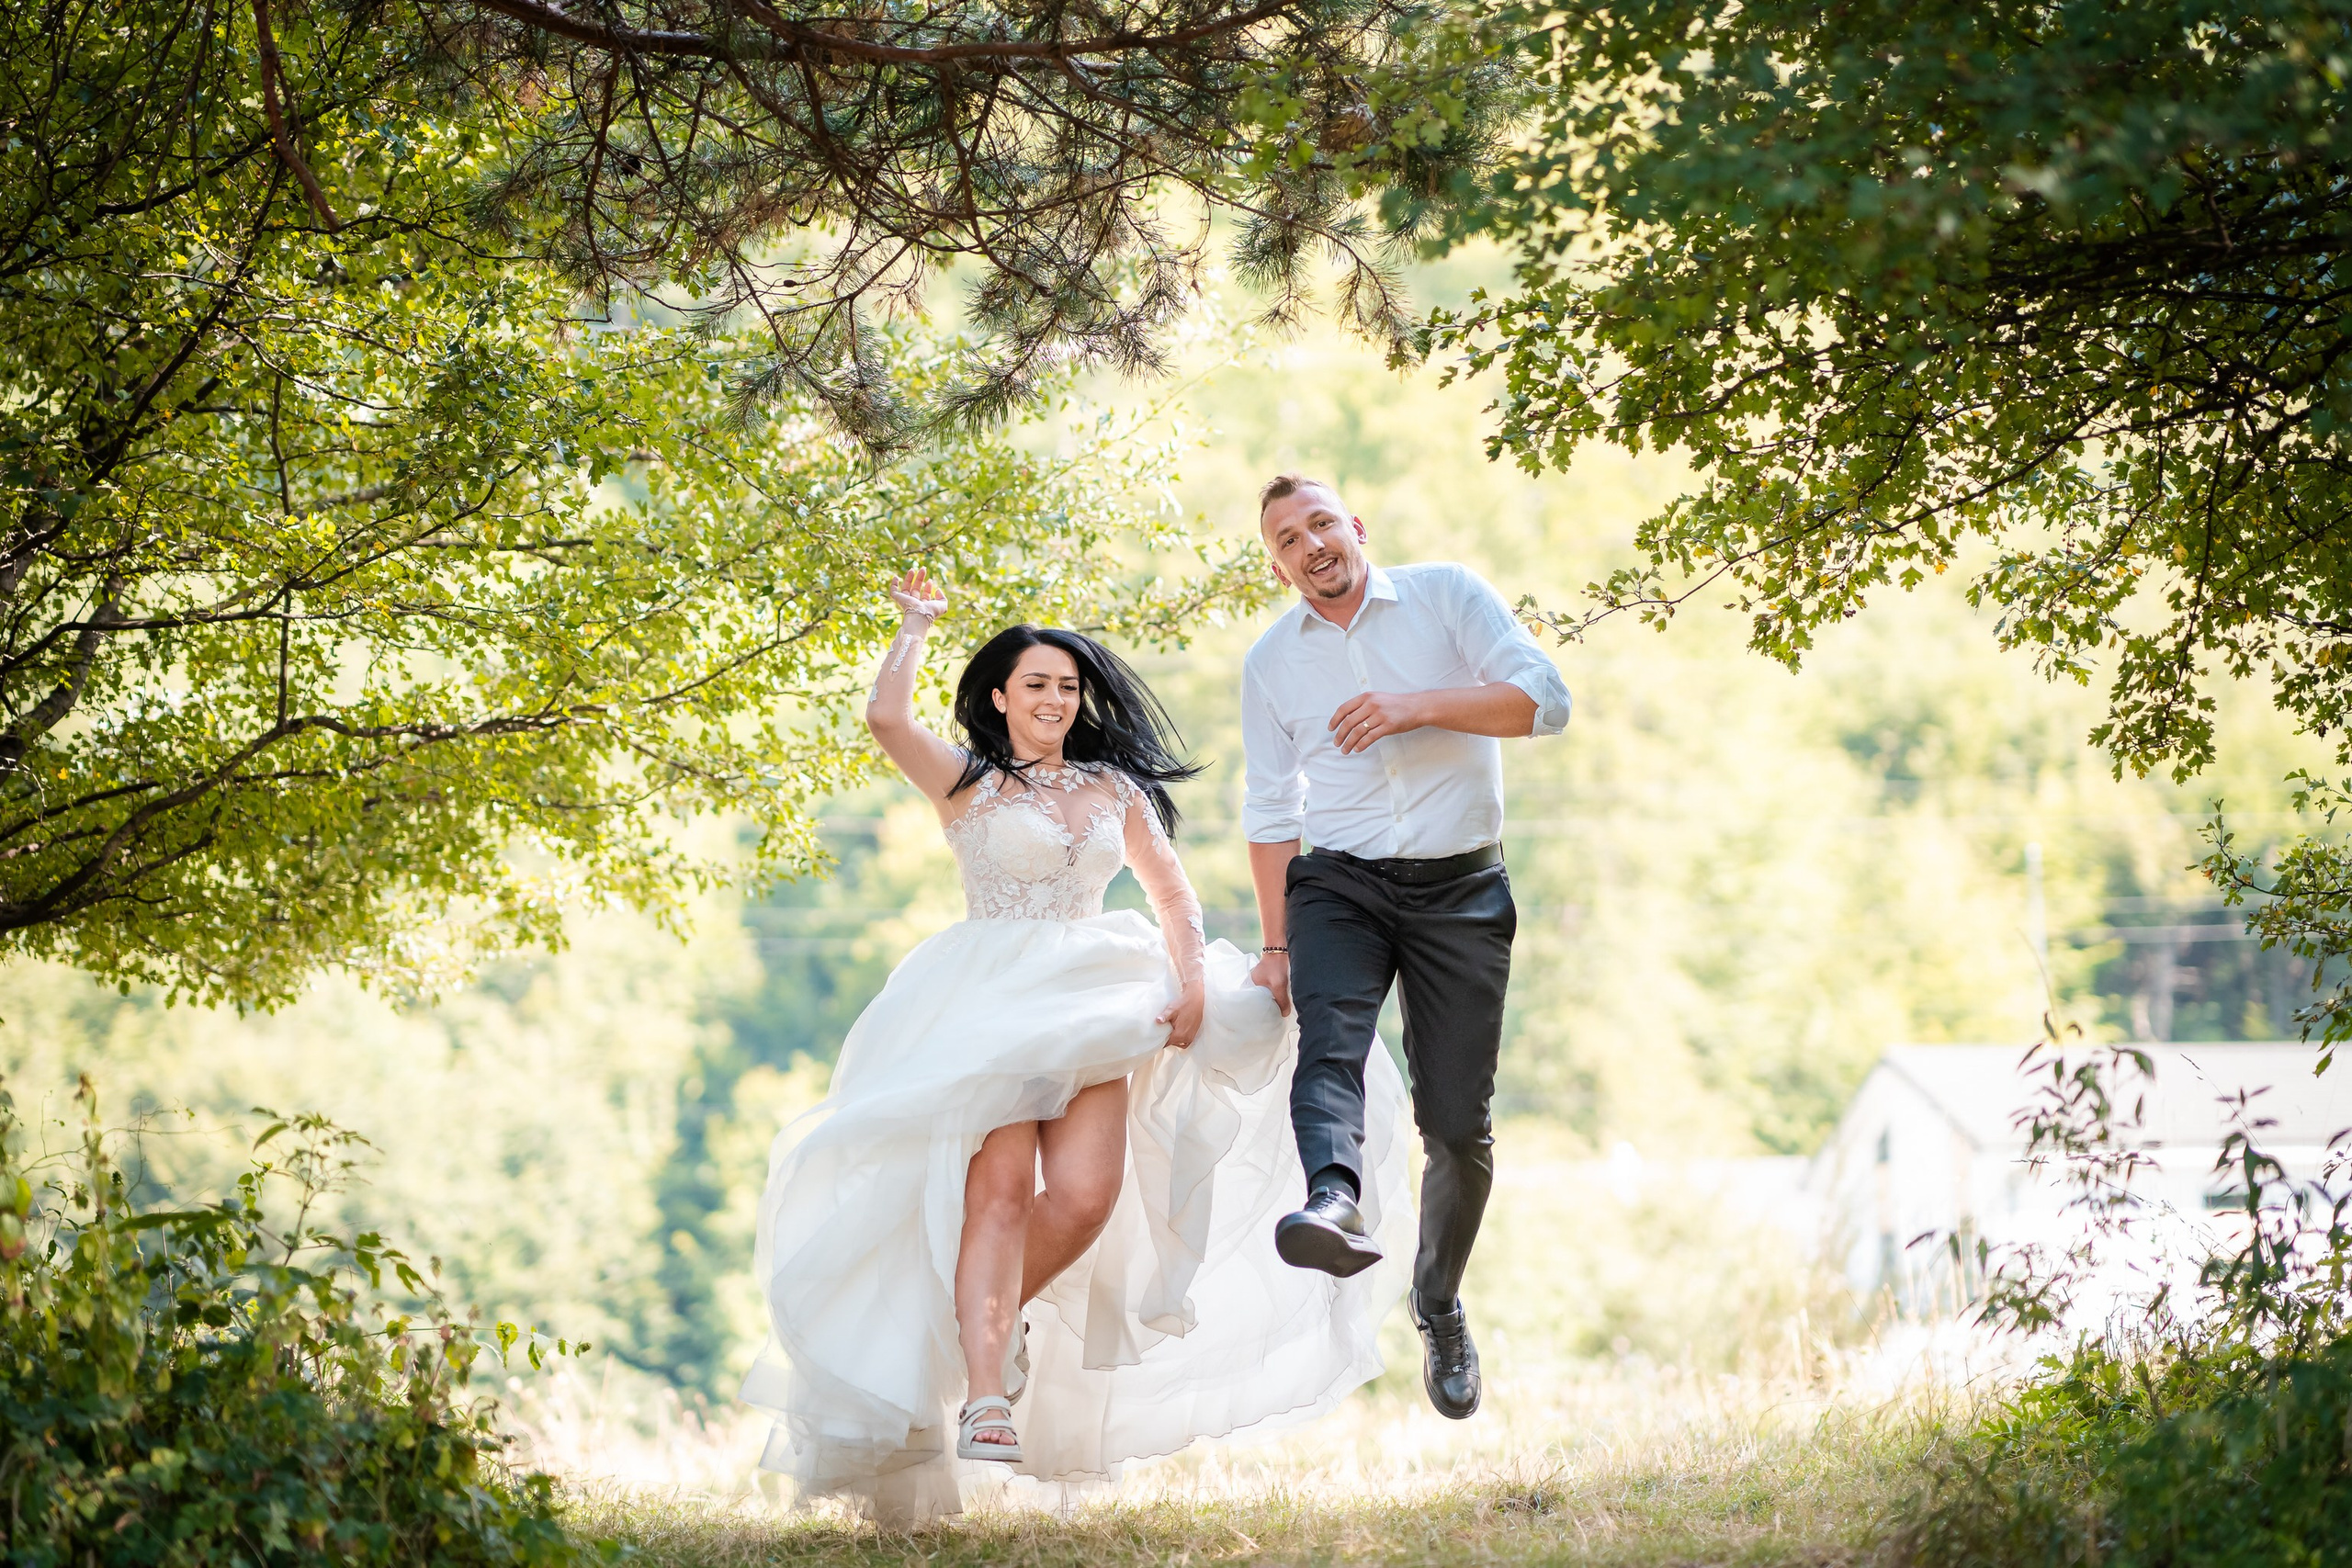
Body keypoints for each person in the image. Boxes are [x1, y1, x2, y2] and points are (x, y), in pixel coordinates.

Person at [739, 569, 1414, 1525]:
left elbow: (1172, 894)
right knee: (998, 1192)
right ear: (1000, 698)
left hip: (1096, 1001)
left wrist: (1190, 979)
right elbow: (887, 719)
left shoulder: (1112, 788)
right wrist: (915, 626)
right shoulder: (966, 782)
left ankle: (984, 1320)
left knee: (1087, 1197)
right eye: (1036, 684)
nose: (1055, 698)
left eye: (1067, 685)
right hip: (989, 1005)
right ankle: (983, 1394)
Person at [1241, 475, 1571, 1421]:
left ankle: (1438, 1300)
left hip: (1460, 889)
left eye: (1320, 524)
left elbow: (1545, 702)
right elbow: (1270, 806)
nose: (1310, 545)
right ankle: (1331, 1199)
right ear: (1277, 567)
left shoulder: (1446, 596)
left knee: (1457, 1123)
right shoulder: (1271, 663)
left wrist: (1414, 705)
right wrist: (1276, 944)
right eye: (1287, 540)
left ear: (1355, 527)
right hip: (1340, 884)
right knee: (1330, 1040)